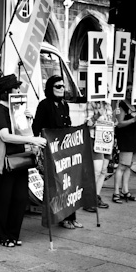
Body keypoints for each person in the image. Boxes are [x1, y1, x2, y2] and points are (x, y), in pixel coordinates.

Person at [0, 75, 46, 247]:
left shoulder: (17, 108)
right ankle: (2, 236)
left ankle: (13, 235)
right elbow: (5, 136)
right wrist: (33, 140)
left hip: (20, 158)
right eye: (15, 88)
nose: (19, 91)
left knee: (20, 198)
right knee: (4, 199)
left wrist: (28, 120)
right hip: (5, 160)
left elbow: (23, 132)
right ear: (7, 92)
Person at [32, 75, 83, 229]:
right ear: (50, 88)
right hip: (51, 152)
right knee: (58, 185)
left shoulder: (64, 104)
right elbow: (36, 127)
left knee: (69, 183)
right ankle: (62, 218)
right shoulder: (44, 105)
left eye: (63, 86)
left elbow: (68, 126)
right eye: (58, 86)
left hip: (65, 151)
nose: (62, 89)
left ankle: (72, 217)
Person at [82, 100, 115, 212]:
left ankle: (96, 196)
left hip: (107, 139)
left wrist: (113, 122)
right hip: (95, 139)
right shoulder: (91, 103)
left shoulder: (108, 105)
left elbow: (110, 121)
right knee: (96, 170)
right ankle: (88, 199)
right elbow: (88, 123)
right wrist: (97, 115)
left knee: (103, 170)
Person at [113, 83, 136, 203]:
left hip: (134, 139)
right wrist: (133, 119)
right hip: (126, 139)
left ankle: (125, 190)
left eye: (132, 90)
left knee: (128, 166)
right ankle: (116, 192)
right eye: (128, 90)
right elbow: (119, 123)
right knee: (122, 166)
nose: (130, 93)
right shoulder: (122, 105)